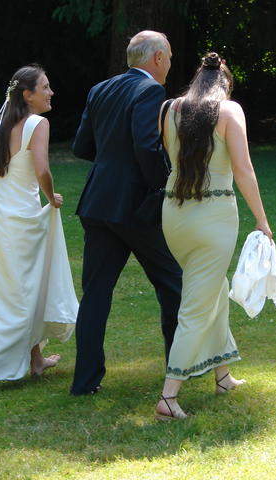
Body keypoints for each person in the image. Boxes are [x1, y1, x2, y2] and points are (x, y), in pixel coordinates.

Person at [155, 53, 273, 419]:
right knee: (197, 304)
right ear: (224, 84)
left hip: (174, 214)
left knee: (213, 290)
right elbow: (243, 168)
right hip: (214, 216)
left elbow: (170, 157)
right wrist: (262, 220)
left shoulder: (168, 110)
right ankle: (168, 397)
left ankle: (222, 374)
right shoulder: (230, 111)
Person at [70, 31, 182, 395]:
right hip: (134, 206)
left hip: (97, 202)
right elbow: (147, 147)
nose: (169, 65)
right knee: (173, 284)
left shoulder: (99, 89)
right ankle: (179, 367)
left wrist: (111, 166)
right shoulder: (150, 91)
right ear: (157, 59)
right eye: (168, 57)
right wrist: (164, 184)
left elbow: (82, 146)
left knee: (96, 294)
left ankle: (85, 382)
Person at [0, 64, 78, 395]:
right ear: (27, 95)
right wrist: (51, 197)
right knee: (18, 292)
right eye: (45, 87)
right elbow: (43, 169)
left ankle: (36, 358)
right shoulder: (36, 123)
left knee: (14, 286)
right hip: (21, 218)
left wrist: (4, 182)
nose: (51, 92)